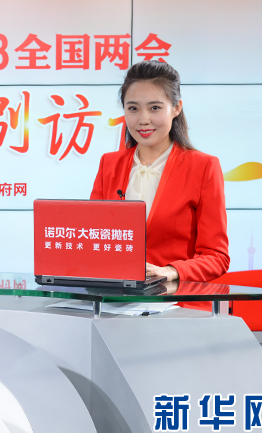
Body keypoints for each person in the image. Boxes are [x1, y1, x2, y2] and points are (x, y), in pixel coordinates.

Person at [90, 60, 229, 283]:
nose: (143, 119)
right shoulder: (109, 164)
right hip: (116, 296)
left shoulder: (204, 166)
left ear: (176, 108)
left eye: (154, 108)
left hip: (175, 297)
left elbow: (216, 257)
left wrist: (172, 271)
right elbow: (92, 240)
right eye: (133, 108)